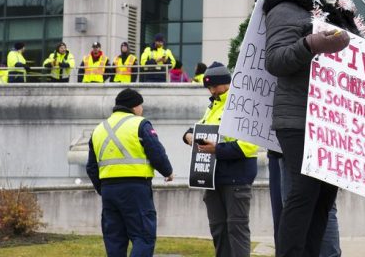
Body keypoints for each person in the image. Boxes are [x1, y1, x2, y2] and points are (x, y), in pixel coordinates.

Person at [264, 0, 365, 257]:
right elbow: (276, 61)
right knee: (303, 192)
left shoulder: (342, 13)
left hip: (334, 120)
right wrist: (310, 44)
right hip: (298, 117)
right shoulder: (287, 9)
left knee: (324, 198)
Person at [86, 88, 174, 257]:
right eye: (140, 106)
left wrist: (102, 188)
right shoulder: (140, 124)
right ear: (134, 107)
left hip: (109, 191)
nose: (142, 109)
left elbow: (91, 167)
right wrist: (167, 172)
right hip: (136, 189)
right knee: (143, 237)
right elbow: (156, 152)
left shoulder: (98, 129)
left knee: (115, 241)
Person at [182, 63, 258, 257]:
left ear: (226, 83)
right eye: (209, 87)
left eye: (214, 86)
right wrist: (188, 136)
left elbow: (248, 145)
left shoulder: (242, 104)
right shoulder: (213, 106)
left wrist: (217, 149)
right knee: (218, 229)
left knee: (237, 229)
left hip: (236, 178)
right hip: (213, 178)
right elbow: (201, 126)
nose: (212, 90)